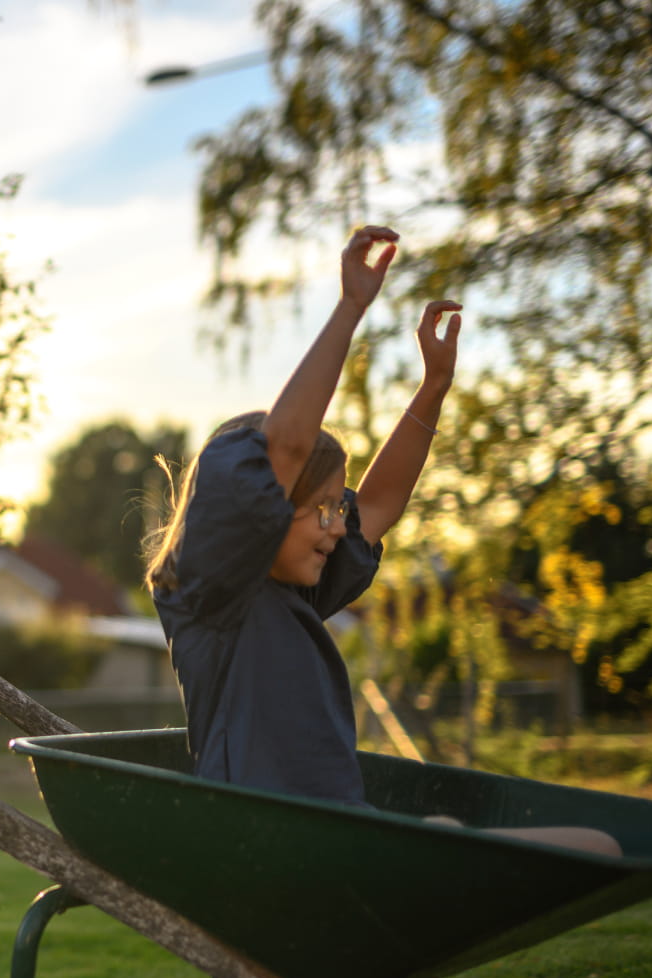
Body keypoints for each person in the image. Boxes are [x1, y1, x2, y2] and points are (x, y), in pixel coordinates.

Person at [144, 226, 618, 856]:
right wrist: (350, 307)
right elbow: (283, 446)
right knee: (593, 848)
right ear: (256, 512)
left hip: (342, 837)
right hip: (270, 843)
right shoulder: (215, 593)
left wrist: (434, 388)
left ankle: (436, 846)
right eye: (317, 510)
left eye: (334, 509)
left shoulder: (294, 600)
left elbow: (379, 505)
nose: (337, 525)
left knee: (600, 847)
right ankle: (438, 848)